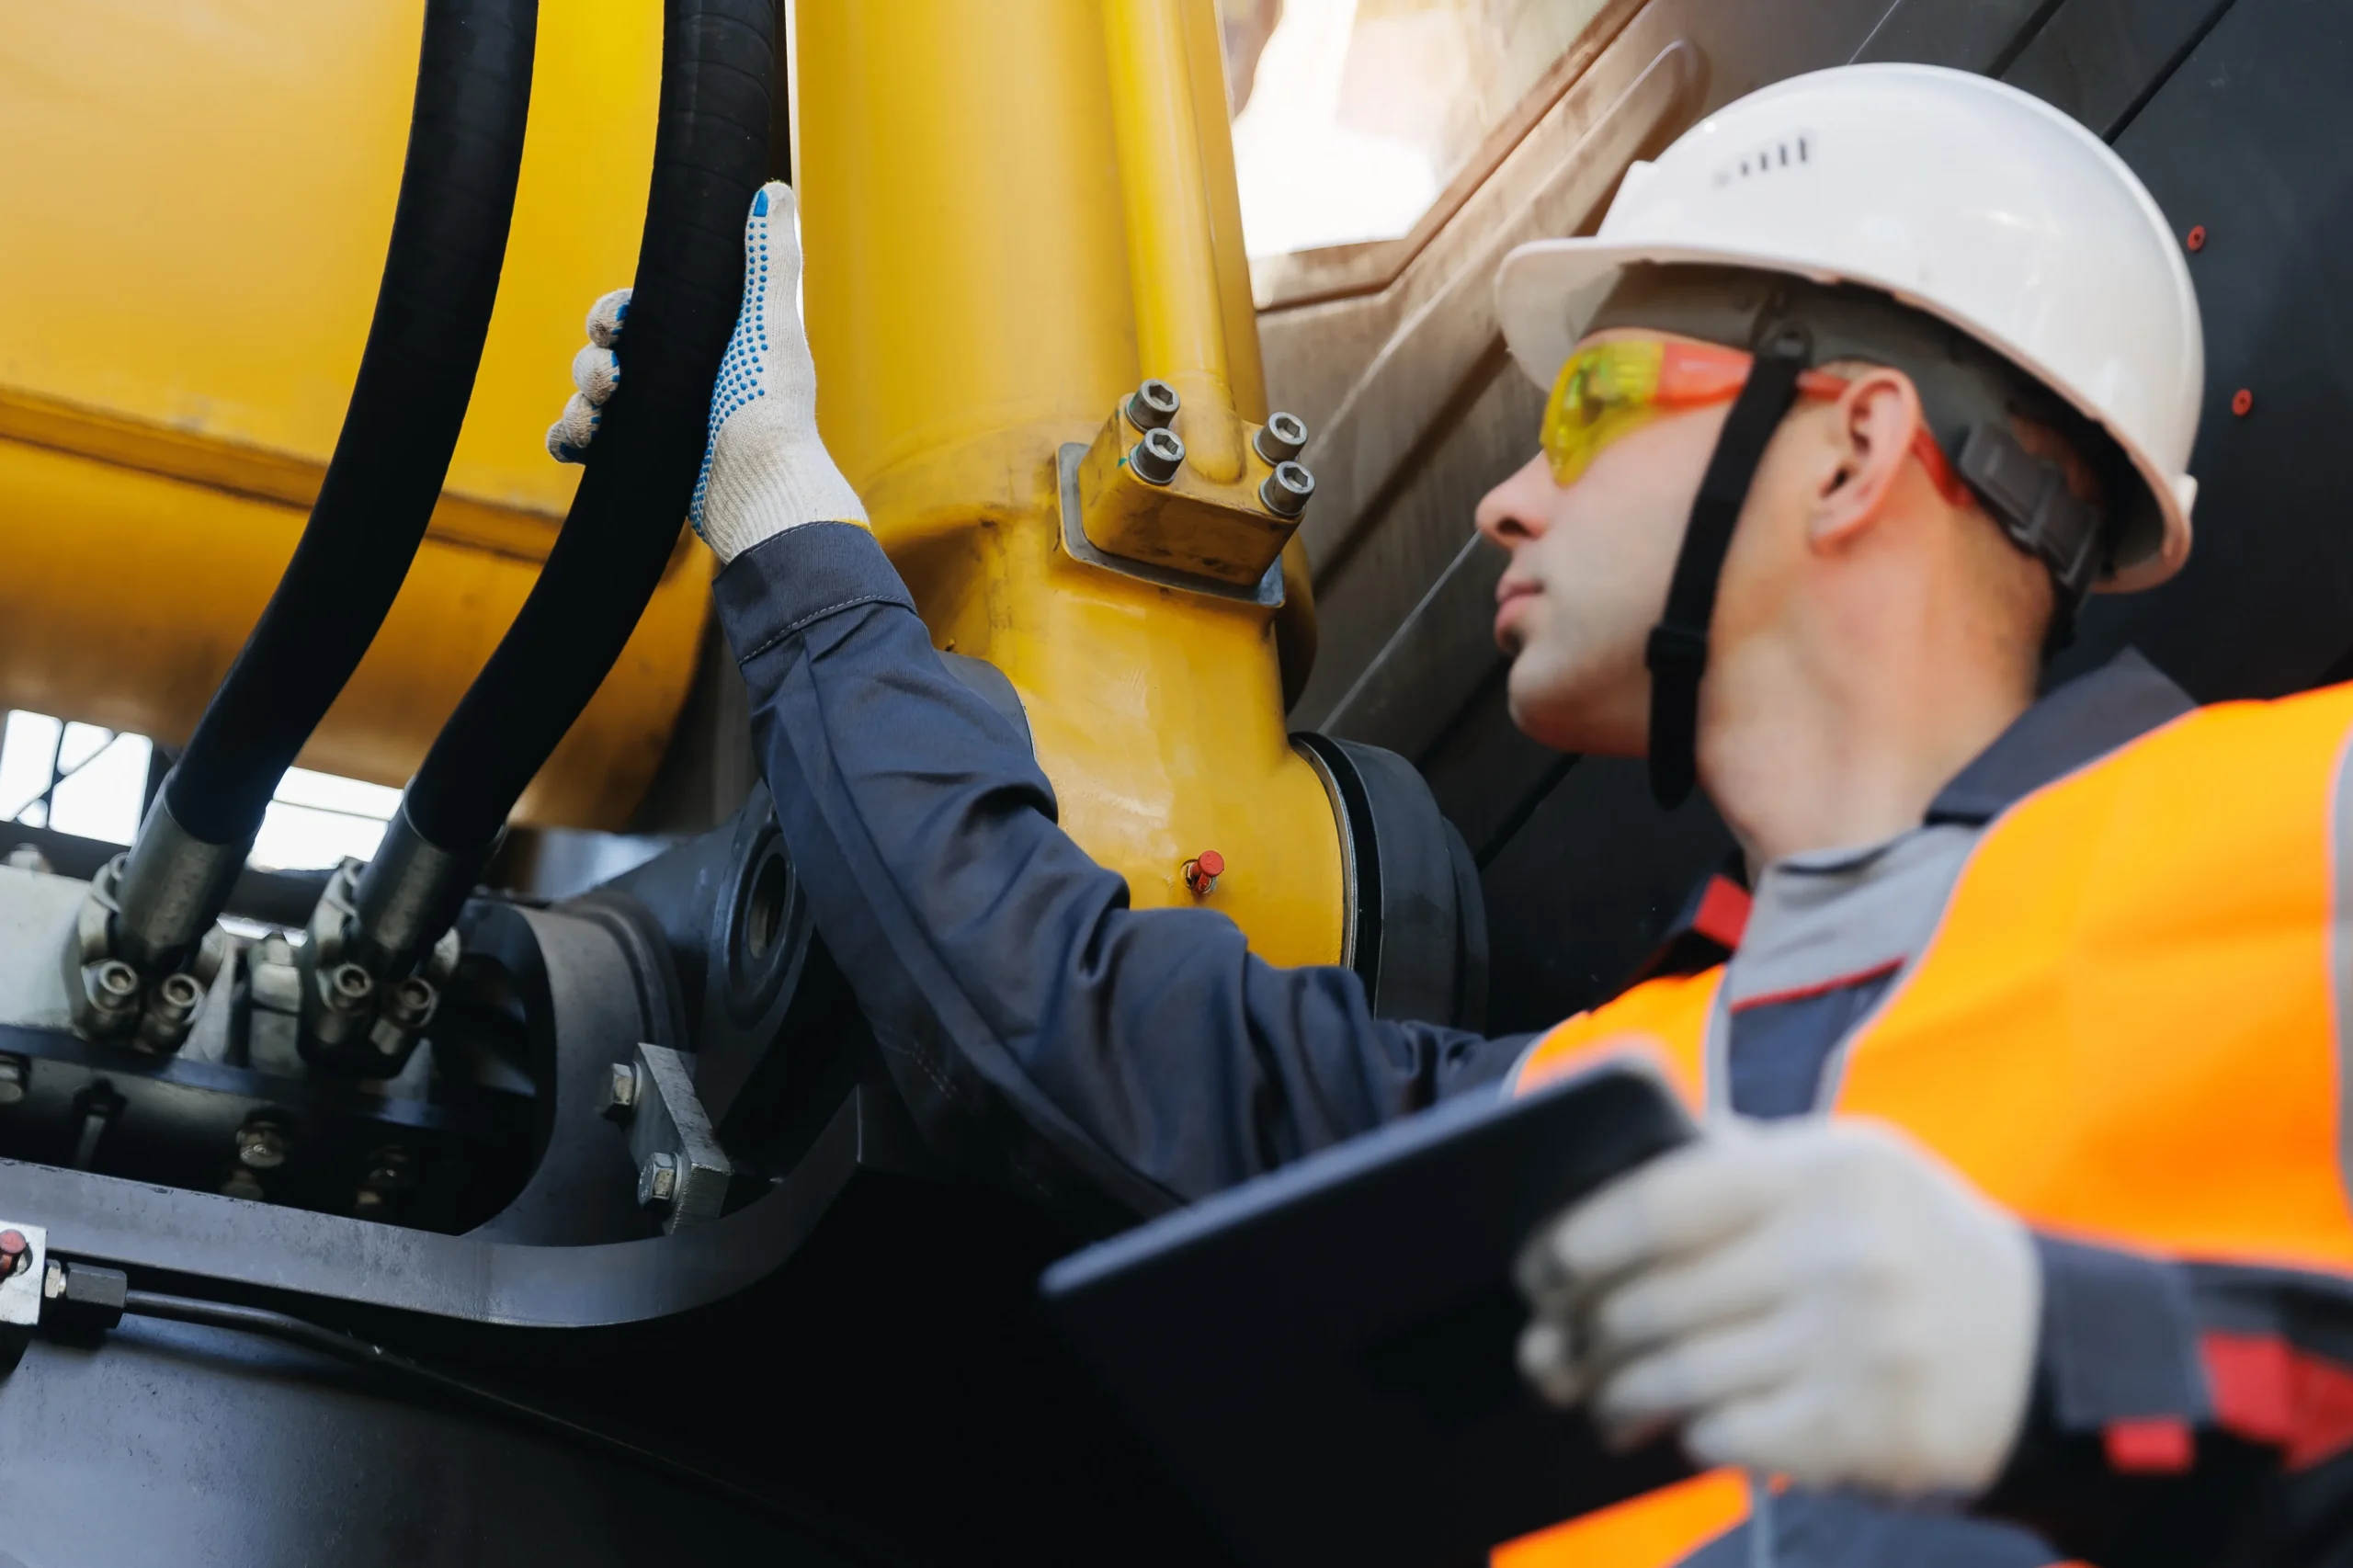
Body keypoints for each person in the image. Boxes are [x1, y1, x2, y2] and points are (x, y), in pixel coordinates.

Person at [545, 62, 2353, 1568]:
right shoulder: (1585, 1114)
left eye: (1582, 406)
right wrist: (784, 512)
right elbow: (1043, 1012)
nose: (1499, 501)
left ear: (1854, 447)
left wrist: (2084, 1370)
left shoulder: (2303, 836)